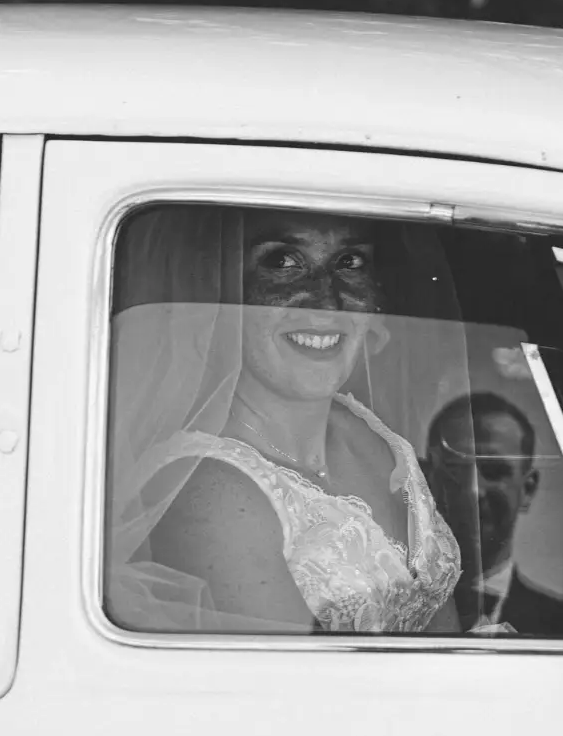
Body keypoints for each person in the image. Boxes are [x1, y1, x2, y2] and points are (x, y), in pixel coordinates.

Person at [107, 207, 467, 635]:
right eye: (282, 262)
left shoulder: (375, 434)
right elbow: (295, 696)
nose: (327, 301)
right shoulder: (208, 491)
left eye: (349, 262)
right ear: (219, 293)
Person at [424, 392, 563, 640]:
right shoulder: (385, 612)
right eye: (456, 469)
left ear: (528, 488)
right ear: (426, 479)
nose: (474, 490)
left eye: (494, 470)